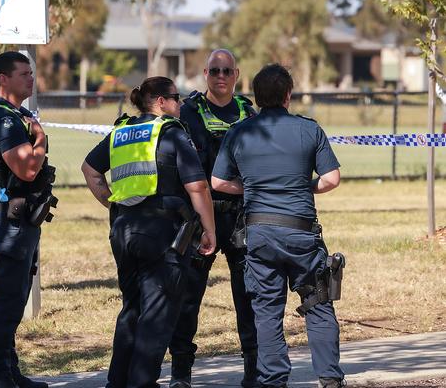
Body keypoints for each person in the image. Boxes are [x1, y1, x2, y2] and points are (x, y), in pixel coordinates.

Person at [211, 63, 345, 388]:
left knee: (267, 311)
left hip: (260, 235)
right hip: (302, 234)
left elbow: (217, 181)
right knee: (318, 303)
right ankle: (330, 378)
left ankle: (273, 381)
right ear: (288, 95)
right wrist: (303, 186)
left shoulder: (239, 132)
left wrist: (253, 188)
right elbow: (331, 179)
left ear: (256, 98)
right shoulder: (309, 129)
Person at [81, 76, 216, 388]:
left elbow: (89, 169)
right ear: (160, 102)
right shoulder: (170, 132)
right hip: (162, 233)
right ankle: (141, 383)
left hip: (123, 230)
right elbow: (197, 186)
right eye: (176, 98)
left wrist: (113, 204)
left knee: (132, 309)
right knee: (157, 313)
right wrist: (209, 230)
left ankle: (118, 382)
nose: (180, 104)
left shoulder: (120, 131)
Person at [169, 49, 259, 388]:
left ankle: (253, 370)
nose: (220, 76)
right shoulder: (189, 111)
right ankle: (181, 373)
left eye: (227, 71)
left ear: (236, 74)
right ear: (205, 73)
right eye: (214, 70)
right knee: (187, 298)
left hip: (239, 217)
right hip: (197, 218)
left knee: (248, 297)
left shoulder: (248, 113)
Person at [0, 51, 54, 388]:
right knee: (8, 298)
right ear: (2, 80)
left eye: (31, 73)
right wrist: (41, 140)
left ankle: (9, 371)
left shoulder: (13, 115)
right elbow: (27, 167)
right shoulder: (4, 119)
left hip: (18, 218)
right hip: (9, 220)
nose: (31, 79)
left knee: (16, 295)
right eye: (23, 74)